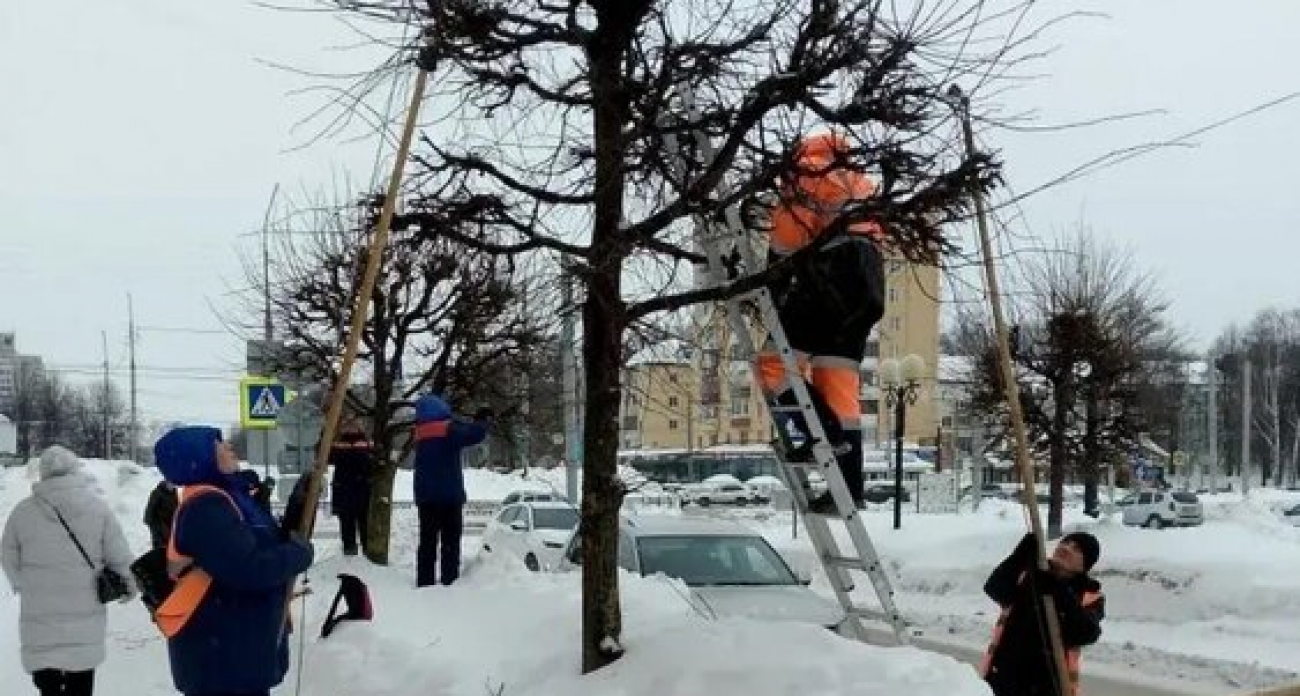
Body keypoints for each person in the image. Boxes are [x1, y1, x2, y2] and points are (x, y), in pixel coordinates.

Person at [753, 131, 887, 512]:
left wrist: (769, 289)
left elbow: (784, 245)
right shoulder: (861, 181)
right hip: (868, 289)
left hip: (830, 276)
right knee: (839, 388)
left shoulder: (806, 173)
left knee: (773, 363)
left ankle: (819, 437)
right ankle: (848, 489)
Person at [152, 425, 314, 696]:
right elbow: (249, 568)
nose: (229, 446)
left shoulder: (230, 498)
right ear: (202, 459)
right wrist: (300, 555)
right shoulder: (206, 508)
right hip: (222, 652)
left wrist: (300, 503)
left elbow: (269, 543)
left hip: (237, 644)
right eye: (219, 445)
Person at [1, 445, 135, 696]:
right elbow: (118, 554)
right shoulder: (98, 509)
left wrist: (23, 583)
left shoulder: (22, 513)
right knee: (81, 680)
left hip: (40, 613)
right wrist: (129, 583)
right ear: (74, 470)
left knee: (47, 681)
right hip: (85, 611)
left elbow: (7, 554)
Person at [980, 531, 1105, 696]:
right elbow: (996, 589)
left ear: (1085, 564)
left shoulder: (1090, 595)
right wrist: (1019, 556)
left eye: (1076, 549)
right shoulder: (1030, 576)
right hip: (1003, 677)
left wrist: (1059, 590)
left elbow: (1086, 633)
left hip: (1047, 685)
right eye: (1065, 543)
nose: (1066, 548)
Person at [412, 394, 490, 587]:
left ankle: (425, 581)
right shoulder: (448, 429)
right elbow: (474, 435)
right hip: (449, 497)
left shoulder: (420, 432)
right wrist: (482, 420)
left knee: (428, 542)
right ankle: (449, 580)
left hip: (426, 498)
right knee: (450, 542)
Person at [329, 418, 375, 556]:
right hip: (361, 490)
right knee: (363, 523)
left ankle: (352, 554)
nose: (351, 428)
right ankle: (365, 554)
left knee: (349, 525)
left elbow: (331, 458)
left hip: (345, 491)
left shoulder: (337, 444)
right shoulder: (367, 444)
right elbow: (369, 466)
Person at [143, 479, 179, 550]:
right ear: (165, 483)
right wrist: (157, 527)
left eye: (174, 484)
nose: (173, 486)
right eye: (171, 483)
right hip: (159, 527)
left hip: (170, 527)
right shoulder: (157, 493)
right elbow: (148, 514)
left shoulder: (174, 494)